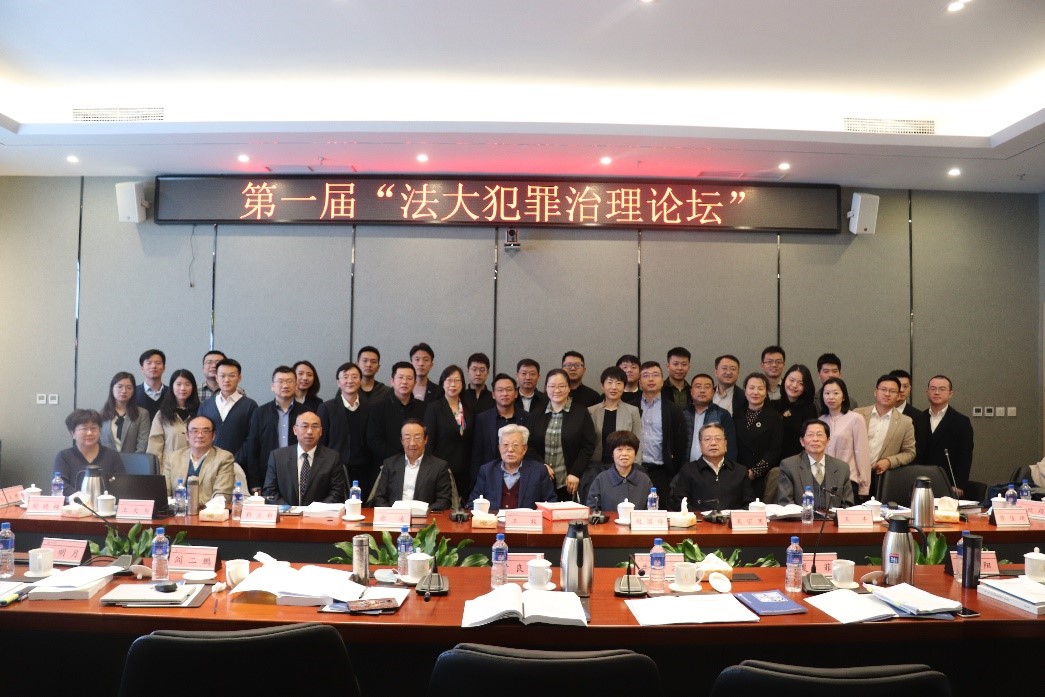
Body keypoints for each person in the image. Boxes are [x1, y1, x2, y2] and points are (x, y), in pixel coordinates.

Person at [528, 368, 597, 500]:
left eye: (562, 386)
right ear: (546, 388)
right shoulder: (537, 413)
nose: (557, 390)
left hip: (570, 481)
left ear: (569, 388)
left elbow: (588, 446)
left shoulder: (581, 412)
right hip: (541, 479)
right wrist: (541, 465)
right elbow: (529, 445)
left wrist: (576, 472)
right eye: (552, 386)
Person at [582, 366, 643, 502]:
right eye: (609, 383)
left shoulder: (632, 411)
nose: (614, 387)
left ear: (624, 387)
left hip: (623, 467)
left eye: (619, 383)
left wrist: (635, 466)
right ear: (602, 386)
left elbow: (638, 440)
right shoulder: (591, 411)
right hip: (596, 466)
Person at [243, 366, 306, 492]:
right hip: (267, 472)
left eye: (289, 381)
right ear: (272, 386)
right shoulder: (260, 412)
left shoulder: (306, 412)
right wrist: (254, 482)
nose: (285, 385)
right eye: (280, 381)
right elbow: (252, 448)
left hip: (298, 471)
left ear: (296, 386)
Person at [263, 410, 346, 505]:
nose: (310, 431)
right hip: (286, 512)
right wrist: (289, 510)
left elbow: (337, 493)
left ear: (321, 431)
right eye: (305, 426)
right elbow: (270, 492)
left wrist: (315, 510)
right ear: (295, 430)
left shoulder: (332, 458)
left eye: (314, 426)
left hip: (319, 513)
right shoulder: (277, 457)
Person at [468, 424, 557, 511]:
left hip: (525, 520)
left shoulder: (539, 471)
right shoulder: (487, 471)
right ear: (499, 448)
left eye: (515, 445)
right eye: (505, 444)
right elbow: (472, 504)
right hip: (494, 520)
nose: (510, 449)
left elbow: (551, 504)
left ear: (524, 449)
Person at [855, 374, 916, 495]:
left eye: (892, 391)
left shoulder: (905, 422)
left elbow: (910, 452)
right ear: (875, 392)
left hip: (880, 478)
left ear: (898, 396)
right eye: (883, 389)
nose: (887, 394)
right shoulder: (857, 414)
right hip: (854, 475)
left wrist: (889, 461)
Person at [670, 422, 753, 511]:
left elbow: (750, 505)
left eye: (718, 439)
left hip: (731, 519)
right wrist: (702, 516)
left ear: (725, 444)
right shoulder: (688, 470)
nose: (713, 443)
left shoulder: (740, 471)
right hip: (698, 519)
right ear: (700, 445)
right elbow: (679, 503)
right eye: (707, 439)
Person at [372, 420, 452, 510]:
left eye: (417, 438)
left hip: (426, 516)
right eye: (407, 438)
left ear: (425, 439)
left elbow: (444, 500)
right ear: (401, 440)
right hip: (395, 516)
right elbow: (379, 497)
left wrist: (424, 512)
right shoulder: (390, 464)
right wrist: (392, 513)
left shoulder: (439, 466)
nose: (412, 443)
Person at [318, 362, 372, 497]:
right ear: (338, 382)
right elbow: (321, 441)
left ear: (360, 380)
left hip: (365, 469)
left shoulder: (370, 407)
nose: (350, 381)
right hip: (335, 468)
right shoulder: (327, 408)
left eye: (354, 377)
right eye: (345, 377)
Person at [915, 375, 974, 496]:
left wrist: (959, 484)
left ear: (950, 394)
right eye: (933, 389)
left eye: (942, 389)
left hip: (949, 483)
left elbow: (965, 456)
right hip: (921, 481)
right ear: (927, 392)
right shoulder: (918, 418)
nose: (937, 392)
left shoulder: (961, 421)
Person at [777, 419, 855, 508]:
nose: (815, 439)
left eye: (819, 435)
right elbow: (786, 504)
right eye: (810, 435)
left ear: (828, 440)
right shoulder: (789, 466)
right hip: (802, 516)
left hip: (833, 517)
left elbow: (848, 505)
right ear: (802, 441)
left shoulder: (842, 468)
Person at [424, 364, 473, 503]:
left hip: (465, 469)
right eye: (449, 380)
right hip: (442, 469)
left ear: (462, 384)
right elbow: (429, 442)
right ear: (442, 383)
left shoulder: (469, 408)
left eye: (457, 380)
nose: (453, 384)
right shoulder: (434, 408)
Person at [197, 358, 258, 468]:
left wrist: (234, 460)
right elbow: (199, 434)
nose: (226, 380)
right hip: (208, 465)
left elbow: (252, 437)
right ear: (216, 377)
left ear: (239, 378)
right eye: (222, 376)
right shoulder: (206, 405)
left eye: (231, 376)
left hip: (240, 466)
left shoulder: (250, 405)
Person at [637, 361, 687, 494]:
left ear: (662, 381)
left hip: (662, 472)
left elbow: (680, 443)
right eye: (646, 375)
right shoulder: (631, 407)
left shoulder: (673, 409)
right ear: (639, 382)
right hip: (634, 469)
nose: (651, 379)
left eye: (655, 375)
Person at [471, 374, 530, 486]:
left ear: (516, 393)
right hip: (490, 478)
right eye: (500, 390)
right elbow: (477, 454)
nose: (504, 393)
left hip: (521, 478)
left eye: (509, 389)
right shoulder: (482, 419)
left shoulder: (527, 418)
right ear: (493, 394)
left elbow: (530, 450)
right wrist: (476, 482)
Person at [366, 361, 428, 468]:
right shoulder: (377, 408)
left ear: (414, 383)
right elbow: (374, 440)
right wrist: (400, 459)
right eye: (400, 377)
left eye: (409, 378)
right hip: (386, 465)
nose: (404, 382)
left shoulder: (425, 408)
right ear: (392, 381)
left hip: (418, 465)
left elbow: (427, 437)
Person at [818, 377, 871, 498]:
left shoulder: (856, 418)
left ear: (843, 397)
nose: (831, 397)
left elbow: (862, 453)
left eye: (836, 393)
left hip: (848, 480)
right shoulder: (820, 421)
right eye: (827, 393)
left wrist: (864, 486)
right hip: (824, 482)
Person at [54, 408, 125, 498]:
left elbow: (121, 485)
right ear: (72, 433)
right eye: (84, 429)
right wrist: (83, 498)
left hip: (105, 504)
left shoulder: (112, 455)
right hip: (75, 504)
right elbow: (61, 486)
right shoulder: (64, 456)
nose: (89, 433)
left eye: (93, 428)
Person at [734, 372, 783, 500]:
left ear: (766, 392)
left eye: (760, 388)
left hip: (762, 476)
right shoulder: (737, 415)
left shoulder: (774, 417)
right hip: (738, 474)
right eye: (751, 388)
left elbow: (775, 450)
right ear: (745, 391)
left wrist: (754, 472)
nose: (755, 392)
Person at [164, 415, 235, 502]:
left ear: (213, 436)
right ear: (187, 435)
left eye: (205, 431)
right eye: (195, 431)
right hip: (177, 509)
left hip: (209, 510)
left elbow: (222, 496)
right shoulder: (173, 458)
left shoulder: (224, 458)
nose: (200, 435)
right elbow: (164, 492)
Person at [147, 369, 200, 474]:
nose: (183, 388)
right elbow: (154, 447)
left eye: (187, 384)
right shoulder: (162, 414)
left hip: (196, 469)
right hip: (169, 470)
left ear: (193, 387)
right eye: (178, 384)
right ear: (172, 387)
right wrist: (158, 472)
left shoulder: (200, 412)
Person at [586, 430, 652, 513]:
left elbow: (651, 511)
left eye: (629, 449)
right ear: (612, 454)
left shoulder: (644, 480)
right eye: (619, 449)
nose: (624, 454)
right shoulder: (601, 479)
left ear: (635, 453)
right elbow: (592, 510)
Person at [682, 373, 737, 463]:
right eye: (698, 386)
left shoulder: (722, 414)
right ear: (691, 392)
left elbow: (730, 447)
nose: (702, 390)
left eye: (707, 387)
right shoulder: (682, 414)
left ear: (713, 392)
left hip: (713, 467)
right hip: (685, 467)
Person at [770, 363, 819, 460]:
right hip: (772, 460)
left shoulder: (809, 409)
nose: (794, 385)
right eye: (791, 380)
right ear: (785, 380)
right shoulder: (773, 405)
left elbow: (808, 439)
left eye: (801, 383)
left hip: (797, 461)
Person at [99, 371, 150, 453]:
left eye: (129, 388)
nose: (124, 391)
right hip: (108, 459)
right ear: (112, 389)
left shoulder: (142, 414)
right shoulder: (103, 413)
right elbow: (99, 441)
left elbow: (143, 444)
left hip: (134, 460)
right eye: (120, 387)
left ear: (133, 391)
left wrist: (135, 459)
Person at [133, 348, 168, 421]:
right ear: (142, 369)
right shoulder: (133, 393)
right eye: (149, 363)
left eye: (158, 363)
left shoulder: (172, 393)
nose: (153, 366)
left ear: (164, 368)